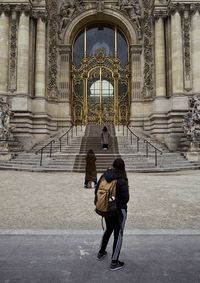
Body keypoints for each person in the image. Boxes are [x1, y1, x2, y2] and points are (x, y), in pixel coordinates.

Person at [95, 158, 129, 271]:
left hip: (106, 209)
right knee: (118, 234)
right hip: (119, 210)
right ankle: (114, 262)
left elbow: (96, 191)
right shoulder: (121, 179)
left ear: (113, 166)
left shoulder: (104, 176)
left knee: (108, 229)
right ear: (122, 167)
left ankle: (101, 252)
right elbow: (125, 198)